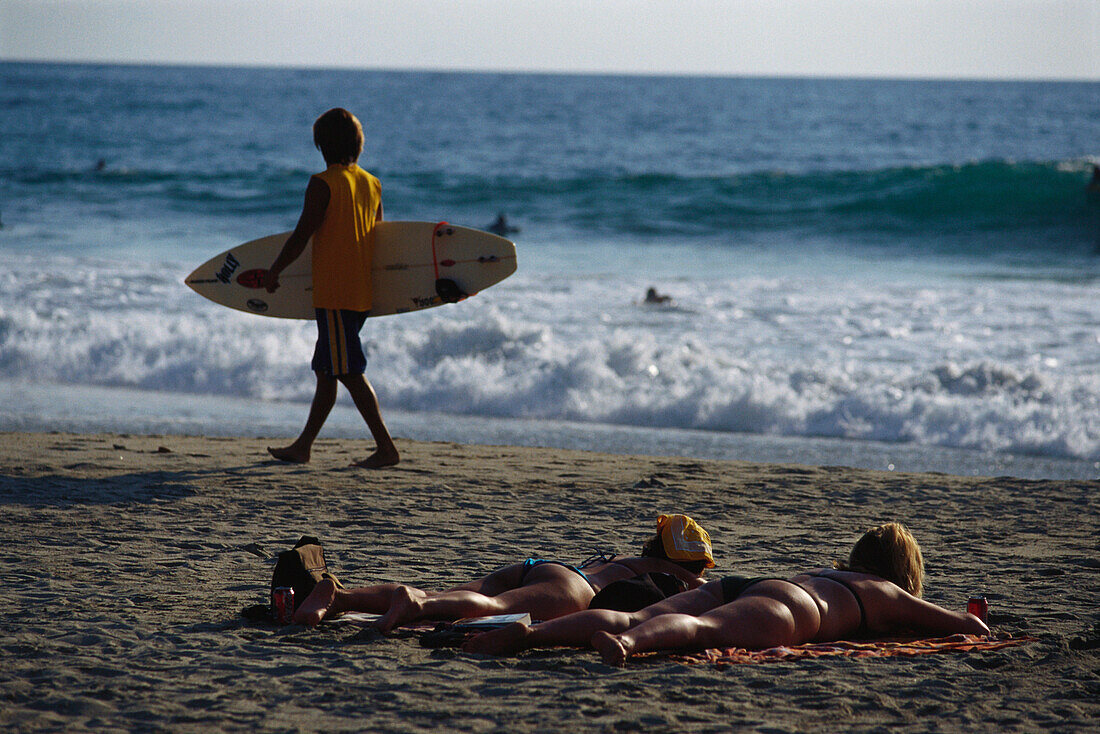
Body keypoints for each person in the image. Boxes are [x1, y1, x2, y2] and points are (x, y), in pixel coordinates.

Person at [464, 522, 990, 664]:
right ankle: (629, 647)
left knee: (632, 614)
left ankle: (531, 634)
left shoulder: (845, 576)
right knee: (700, 632)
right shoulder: (886, 592)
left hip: (758, 584)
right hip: (795, 609)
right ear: (904, 571)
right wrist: (977, 618)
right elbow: (963, 627)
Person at [261, 108, 399, 468]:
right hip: (359, 293)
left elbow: (303, 233)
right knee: (327, 371)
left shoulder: (322, 183)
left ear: (321, 146)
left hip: (335, 294)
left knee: (349, 371)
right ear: (358, 144)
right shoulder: (372, 183)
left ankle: (386, 448)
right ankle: (303, 446)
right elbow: (377, 235)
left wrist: (275, 270)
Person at [292, 514, 716, 631]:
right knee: (490, 608)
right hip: (575, 587)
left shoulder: (625, 558)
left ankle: (342, 596)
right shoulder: (677, 573)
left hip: (541, 565)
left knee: (447, 597)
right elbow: (705, 592)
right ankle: (415, 603)